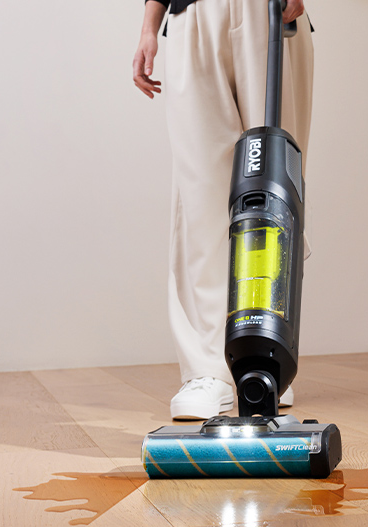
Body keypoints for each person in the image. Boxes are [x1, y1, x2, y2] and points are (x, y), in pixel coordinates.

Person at [133, 0, 313, 419]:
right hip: (191, 13)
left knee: (275, 185)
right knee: (199, 197)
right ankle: (207, 370)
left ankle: (270, 356)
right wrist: (148, 26)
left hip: (270, 10)